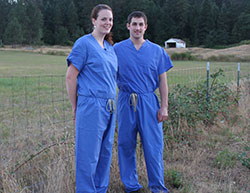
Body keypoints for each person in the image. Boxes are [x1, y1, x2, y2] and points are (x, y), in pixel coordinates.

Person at [114, 11, 173, 193]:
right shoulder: (117, 49)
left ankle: (157, 186)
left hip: (149, 101)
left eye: (141, 24)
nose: (137, 28)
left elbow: (163, 81)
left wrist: (164, 106)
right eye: (134, 24)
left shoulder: (157, 51)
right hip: (125, 100)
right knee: (125, 144)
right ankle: (131, 186)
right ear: (128, 26)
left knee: (153, 145)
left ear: (145, 27)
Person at [65, 4, 117, 193]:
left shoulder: (110, 48)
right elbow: (71, 76)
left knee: (105, 155)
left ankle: (100, 190)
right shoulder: (84, 44)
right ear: (94, 20)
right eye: (103, 19)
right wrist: (75, 106)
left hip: (110, 106)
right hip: (91, 106)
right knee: (88, 156)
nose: (107, 23)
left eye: (110, 19)